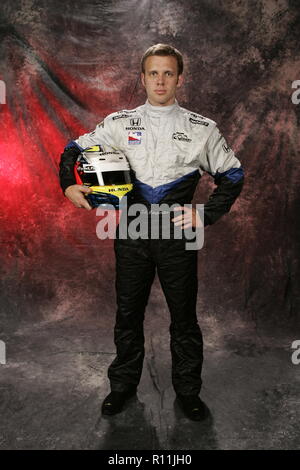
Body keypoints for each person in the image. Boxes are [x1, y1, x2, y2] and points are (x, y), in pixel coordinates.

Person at [59, 44, 244, 421]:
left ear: (180, 78)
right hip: (131, 234)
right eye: (153, 73)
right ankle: (122, 387)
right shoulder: (119, 123)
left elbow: (233, 174)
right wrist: (68, 185)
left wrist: (205, 214)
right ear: (142, 78)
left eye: (168, 73)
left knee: (184, 318)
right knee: (128, 315)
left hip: (178, 239)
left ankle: (188, 393)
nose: (160, 80)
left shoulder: (201, 128)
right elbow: (73, 150)